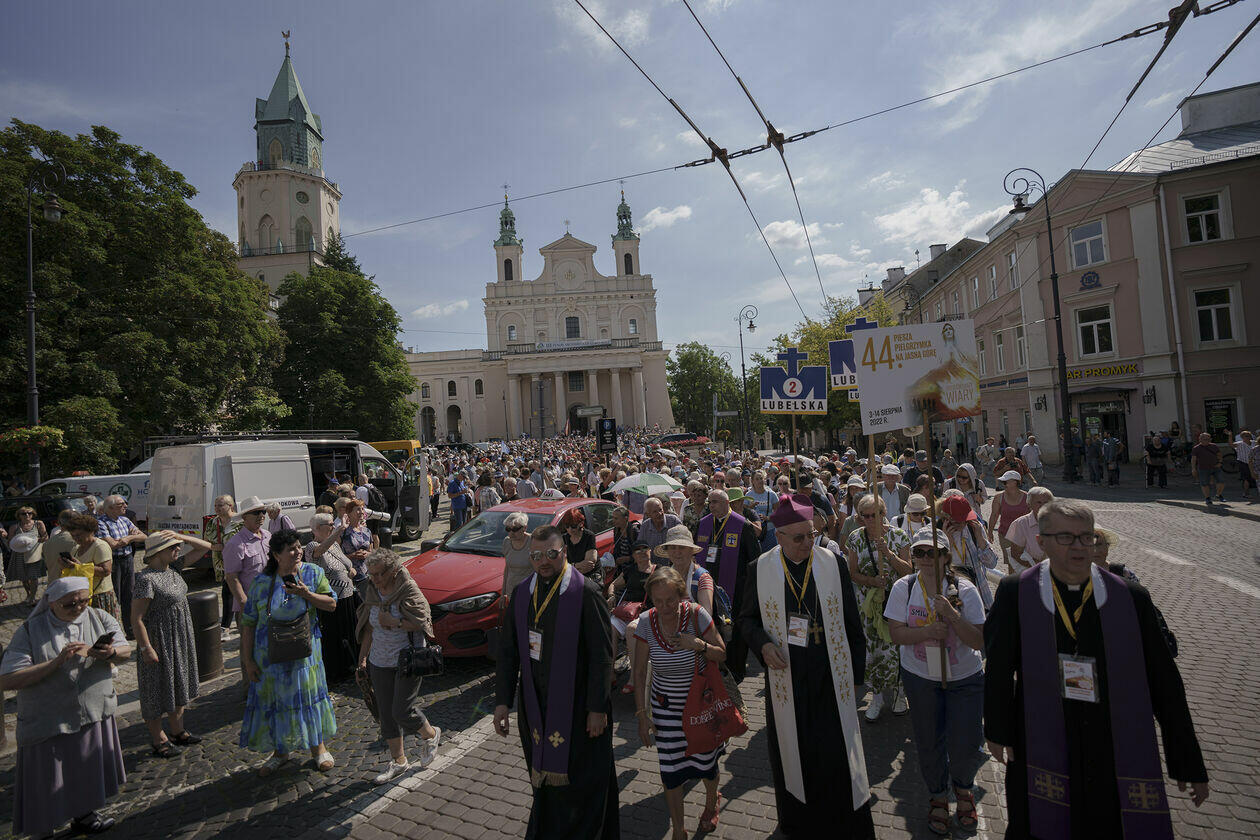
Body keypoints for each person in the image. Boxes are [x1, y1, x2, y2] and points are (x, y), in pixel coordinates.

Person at [984, 499, 1210, 838]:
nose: (1078, 546)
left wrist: (1187, 761)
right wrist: (998, 731)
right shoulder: (1016, 592)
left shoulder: (1131, 597)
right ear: (1042, 542)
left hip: (1112, 741)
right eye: (1065, 537)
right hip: (1038, 735)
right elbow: (1000, 667)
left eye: (1086, 537)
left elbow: (1164, 681)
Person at [738, 494, 875, 838]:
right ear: (779, 536)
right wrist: (763, 644)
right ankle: (799, 822)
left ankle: (843, 819)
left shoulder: (833, 563)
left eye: (811, 534)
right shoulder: (760, 569)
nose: (807, 543)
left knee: (836, 751)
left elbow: (851, 620)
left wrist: (856, 676)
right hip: (788, 676)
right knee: (794, 752)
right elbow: (746, 621)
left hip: (831, 674)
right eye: (798, 538)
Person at [493, 525, 618, 839]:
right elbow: (508, 652)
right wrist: (502, 702)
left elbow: (602, 656)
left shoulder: (586, 593)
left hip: (579, 706)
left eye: (551, 553)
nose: (543, 561)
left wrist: (597, 708)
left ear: (564, 552)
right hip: (536, 704)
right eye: (536, 556)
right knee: (544, 779)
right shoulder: (523, 593)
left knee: (583, 781)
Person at [0, 576, 129, 836]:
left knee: (85, 768)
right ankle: (42, 829)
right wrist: (56, 662)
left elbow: (124, 650)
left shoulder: (99, 617)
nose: (78, 607)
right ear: (52, 603)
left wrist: (109, 654)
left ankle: (85, 815)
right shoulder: (30, 631)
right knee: (47, 776)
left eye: (83, 601)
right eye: (70, 604)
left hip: (91, 712)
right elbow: (8, 679)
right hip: (48, 719)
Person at [885, 529, 987, 835]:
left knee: (965, 742)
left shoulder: (965, 590)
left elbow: (979, 641)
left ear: (945, 556)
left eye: (933, 552)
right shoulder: (904, 587)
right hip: (920, 677)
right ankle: (938, 796)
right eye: (919, 552)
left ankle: (964, 789)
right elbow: (896, 634)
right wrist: (928, 632)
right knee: (929, 741)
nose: (926, 558)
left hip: (964, 679)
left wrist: (952, 616)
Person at [632, 566, 729, 838]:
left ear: (681, 595)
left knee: (706, 765)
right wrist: (642, 715)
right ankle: (678, 828)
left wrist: (698, 645)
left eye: (670, 600)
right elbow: (639, 672)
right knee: (671, 770)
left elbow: (722, 654)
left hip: (701, 707)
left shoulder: (697, 615)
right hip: (666, 711)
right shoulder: (645, 622)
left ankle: (711, 802)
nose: (664, 607)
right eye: (658, 601)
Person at [239, 529, 338, 776]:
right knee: (276, 703)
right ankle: (280, 752)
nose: (298, 552)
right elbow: (248, 624)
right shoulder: (261, 583)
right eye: (291, 549)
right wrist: (248, 660)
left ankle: (318, 748)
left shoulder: (313, 573)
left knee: (308, 699)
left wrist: (306, 594)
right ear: (276, 555)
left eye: (298, 547)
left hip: (305, 656)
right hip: (269, 658)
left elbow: (332, 604)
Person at [356, 549, 442, 785]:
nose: (374, 579)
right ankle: (399, 761)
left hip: (407, 659)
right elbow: (369, 628)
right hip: (378, 661)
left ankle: (431, 734)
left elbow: (421, 621)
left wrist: (393, 621)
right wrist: (362, 660)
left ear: (393, 570)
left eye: (379, 574)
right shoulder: (372, 590)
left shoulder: (408, 589)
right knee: (386, 715)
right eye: (371, 574)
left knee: (401, 711)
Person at [132, 530, 211, 758]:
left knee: (178, 682)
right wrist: (146, 648)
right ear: (158, 552)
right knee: (155, 688)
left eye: (178, 546)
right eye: (172, 547)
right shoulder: (146, 579)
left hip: (179, 636)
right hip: (159, 640)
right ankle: (159, 739)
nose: (178, 549)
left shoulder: (174, 568)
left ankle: (178, 730)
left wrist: (181, 537)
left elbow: (205, 547)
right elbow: (136, 618)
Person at [844, 494, 913, 720]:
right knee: (872, 649)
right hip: (868, 605)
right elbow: (852, 573)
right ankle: (877, 696)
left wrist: (888, 554)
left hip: (895, 603)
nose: (871, 520)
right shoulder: (855, 538)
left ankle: (899, 693)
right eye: (866, 516)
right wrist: (872, 581)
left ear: (884, 513)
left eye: (875, 514)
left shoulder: (899, 536)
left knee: (895, 647)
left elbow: (908, 571)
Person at [692, 487, 759, 680]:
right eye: (710, 502)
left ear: (727, 503)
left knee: (735, 630)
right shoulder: (703, 524)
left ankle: (736, 670)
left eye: (715, 502)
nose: (711, 506)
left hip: (736, 588)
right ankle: (716, 666)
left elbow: (755, 558)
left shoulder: (742, 525)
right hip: (708, 587)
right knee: (713, 625)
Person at [305, 512, 361, 683]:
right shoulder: (312, 546)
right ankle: (336, 671)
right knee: (335, 635)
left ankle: (351, 665)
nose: (333, 527)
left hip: (348, 595)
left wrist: (351, 570)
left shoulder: (335, 545)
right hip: (332, 599)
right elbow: (320, 551)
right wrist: (341, 528)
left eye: (333, 524)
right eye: (330, 525)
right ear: (317, 528)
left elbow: (345, 564)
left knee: (350, 631)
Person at [224, 496, 271, 686]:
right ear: (244, 517)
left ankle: (269, 685)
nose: (261, 516)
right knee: (249, 649)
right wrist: (244, 603)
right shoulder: (235, 543)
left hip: (270, 602)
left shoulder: (268, 536)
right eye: (256, 513)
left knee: (269, 645)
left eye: (263, 512)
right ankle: (249, 689)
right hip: (250, 605)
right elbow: (231, 577)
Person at [609, 541, 655, 696]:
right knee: (610, 626)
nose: (641, 552)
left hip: (647, 612)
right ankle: (610, 673)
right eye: (637, 550)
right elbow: (613, 584)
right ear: (633, 556)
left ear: (650, 551)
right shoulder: (630, 570)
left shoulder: (658, 571)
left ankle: (635, 678)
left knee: (631, 629)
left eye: (644, 548)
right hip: (627, 611)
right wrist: (611, 595)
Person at [938, 493, 999, 609]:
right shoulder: (936, 532)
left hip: (980, 594)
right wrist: (946, 544)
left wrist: (980, 539)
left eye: (966, 520)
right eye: (959, 521)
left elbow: (992, 563)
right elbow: (935, 568)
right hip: (952, 596)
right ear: (947, 518)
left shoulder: (974, 527)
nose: (964, 523)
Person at [95, 495, 143, 636]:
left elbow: (144, 537)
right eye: (121, 504)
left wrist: (129, 538)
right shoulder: (101, 523)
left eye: (125, 503)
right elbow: (112, 544)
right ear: (110, 508)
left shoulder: (125, 520)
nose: (125, 506)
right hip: (113, 562)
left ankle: (130, 630)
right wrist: (129, 539)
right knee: (114, 597)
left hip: (128, 559)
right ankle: (114, 632)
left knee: (129, 595)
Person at [63, 513, 120, 621]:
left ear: (90, 531)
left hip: (99, 595)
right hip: (82, 595)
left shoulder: (100, 546)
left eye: (79, 535)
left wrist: (80, 566)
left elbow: (106, 571)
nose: (76, 538)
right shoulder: (76, 549)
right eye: (73, 536)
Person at [202, 494, 242, 640]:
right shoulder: (213, 523)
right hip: (222, 564)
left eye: (220, 505)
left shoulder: (240, 522)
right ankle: (231, 626)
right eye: (215, 505)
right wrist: (214, 547)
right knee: (229, 593)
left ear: (230, 506)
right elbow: (206, 540)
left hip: (240, 564)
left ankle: (226, 627)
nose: (217, 508)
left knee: (230, 593)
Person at [1003, 487, 1053, 573]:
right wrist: (1039, 566)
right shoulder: (1021, 523)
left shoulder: (1059, 522)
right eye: (1038, 502)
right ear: (1029, 504)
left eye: (1046, 502)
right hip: (1029, 572)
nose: (1042, 506)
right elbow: (1016, 553)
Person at [987, 471, 1030, 569]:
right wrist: (990, 532)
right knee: (1011, 563)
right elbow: (994, 515)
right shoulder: (999, 497)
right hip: (1005, 535)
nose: (1004, 484)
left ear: (1015, 482)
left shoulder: (1027, 497)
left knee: (1025, 562)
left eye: (1005, 482)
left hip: (1024, 536)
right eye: (1003, 482)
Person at [7, 506, 47, 605]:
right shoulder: (14, 527)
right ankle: (28, 594)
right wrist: (19, 542)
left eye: (29, 513)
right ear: (19, 516)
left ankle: (32, 597)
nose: (27, 515)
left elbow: (46, 537)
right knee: (23, 577)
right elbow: (10, 542)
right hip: (19, 555)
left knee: (33, 576)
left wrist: (39, 540)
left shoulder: (38, 524)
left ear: (33, 514)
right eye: (24, 513)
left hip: (34, 553)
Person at [340, 498, 376, 586]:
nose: (362, 512)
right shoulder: (343, 532)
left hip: (367, 574)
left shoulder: (367, 531)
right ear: (349, 513)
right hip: (350, 575)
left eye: (362, 509)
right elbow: (336, 556)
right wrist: (352, 555)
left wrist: (367, 554)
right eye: (358, 509)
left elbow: (371, 551)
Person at [501, 511, 535, 596]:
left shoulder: (533, 542)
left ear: (525, 528)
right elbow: (507, 569)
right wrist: (503, 593)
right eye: (508, 529)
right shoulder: (506, 542)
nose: (511, 533)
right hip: (511, 591)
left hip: (529, 591)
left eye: (515, 529)